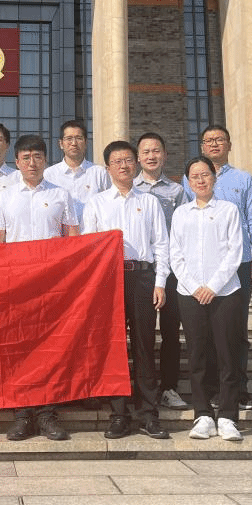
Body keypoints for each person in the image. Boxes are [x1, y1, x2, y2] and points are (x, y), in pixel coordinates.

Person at [0, 134, 79, 442]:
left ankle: (47, 413)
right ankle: (22, 414)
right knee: (18, 349)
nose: (32, 163)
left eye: (37, 157)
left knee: (49, 349)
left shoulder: (60, 194)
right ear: (16, 162)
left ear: (45, 160)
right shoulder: (5, 195)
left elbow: (72, 238)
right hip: (16, 284)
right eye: (26, 158)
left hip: (51, 286)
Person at [82, 140, 170, 440]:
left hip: (143, 278)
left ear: (136, 164)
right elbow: (88, 246)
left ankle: (148, 414)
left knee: (145, 346)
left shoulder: (150, 202)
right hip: (109, 280)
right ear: (107, 168)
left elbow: (161, 244)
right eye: (117, 161)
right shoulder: (97, 203)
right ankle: (119, 414)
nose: (124, 165)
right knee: (114, 348)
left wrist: (160, 282)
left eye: (129, 160)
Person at [184, 124, 252, 410]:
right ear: (202, 146)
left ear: (229, 145)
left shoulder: (243, 179)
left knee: (235, 329)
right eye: (208, 140)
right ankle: (212, 390)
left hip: (238, 264)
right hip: (203, 267)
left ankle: (239, 390)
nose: (214, 144)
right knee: (206, 331)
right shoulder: (190, 179)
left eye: (219, 139)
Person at [171, 156, 245, 442]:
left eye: (205, 174)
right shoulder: (181, 214)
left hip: (225, 293)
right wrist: (194, 287)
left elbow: (234, 252)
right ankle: (202, 414)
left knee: (227, 355)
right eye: (194, 176)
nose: (200, 180)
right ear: (188, 182)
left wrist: (212, 286)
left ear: (214, 177)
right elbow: (175, 254)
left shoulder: (228, 210)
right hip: (189, 294)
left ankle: (227, 416)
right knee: (197, 356)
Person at [135, 132, 190, 411]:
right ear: (138, 157)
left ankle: (169, 387)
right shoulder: (131, 189)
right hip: (140, 273)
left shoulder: (177, 191)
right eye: (146, 152)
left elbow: (184, 231)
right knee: (140, 333)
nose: (151, 156)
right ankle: (139, 388)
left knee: (170, 331)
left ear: (165, 155)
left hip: (170, 272)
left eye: (156, 151)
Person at [43, 119, 110, 227]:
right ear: (61, 144)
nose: (74, 143)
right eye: (69, 139)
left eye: (79, 138)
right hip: (61, 234)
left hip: (92, 233)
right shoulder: (49, 175)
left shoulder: (99, 173)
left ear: (86, 143)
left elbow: (109, 203)